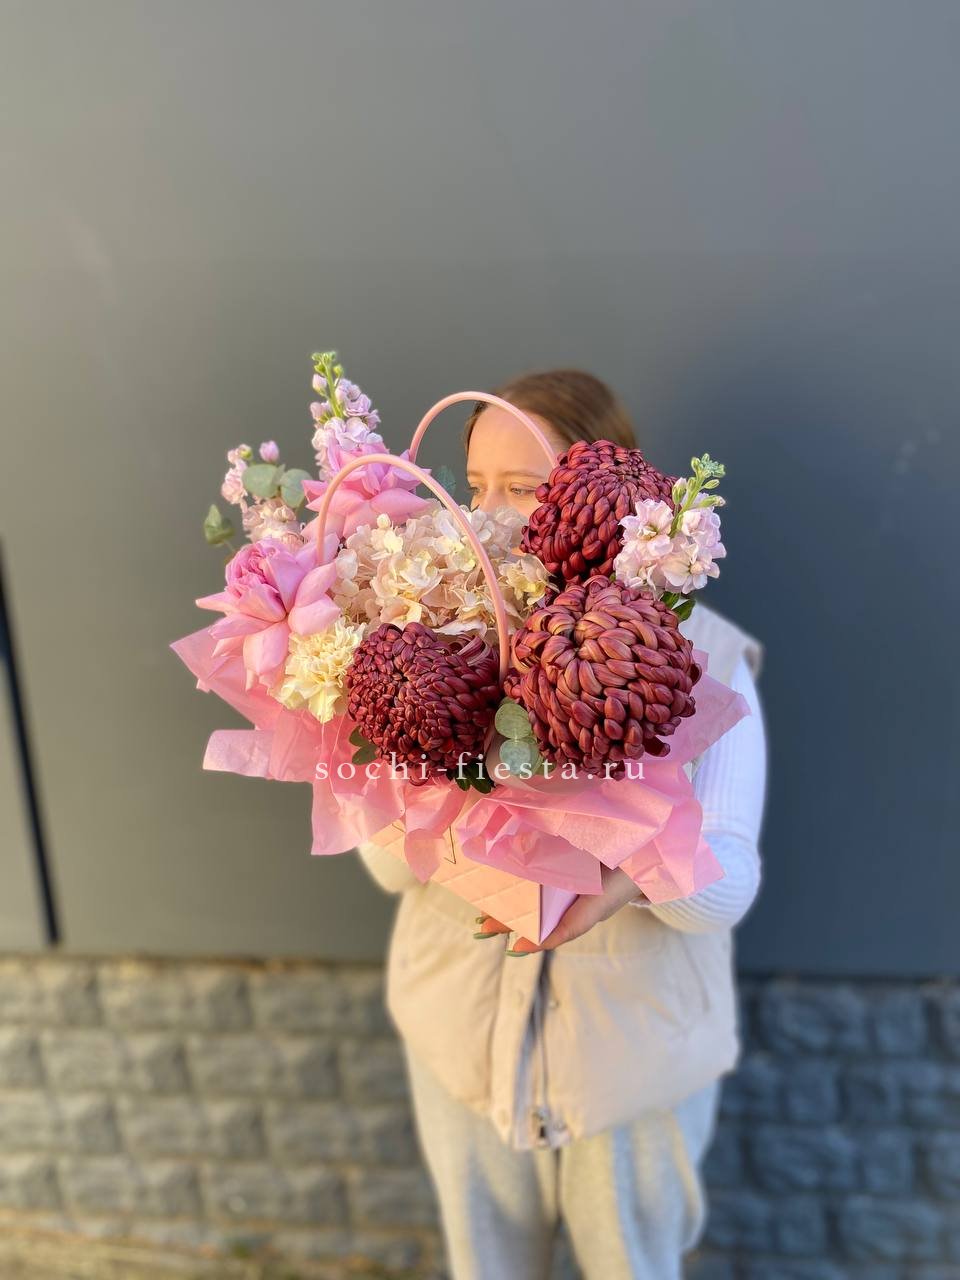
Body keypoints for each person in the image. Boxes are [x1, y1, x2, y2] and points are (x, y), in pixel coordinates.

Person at [356, 368, 768, 1280]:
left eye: (524, 488)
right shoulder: (428, 634)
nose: (487, 516)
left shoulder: (702, 659)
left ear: (603, 498)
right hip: (459, 1041)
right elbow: (388, 871)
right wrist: (403, 761)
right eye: (474, 486)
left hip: (631, 1067)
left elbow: (729, 887)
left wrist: (627, 868)